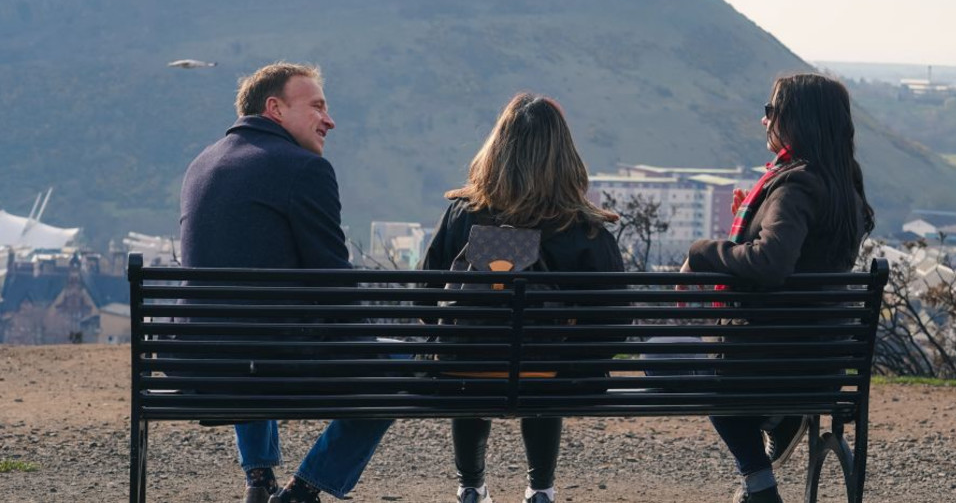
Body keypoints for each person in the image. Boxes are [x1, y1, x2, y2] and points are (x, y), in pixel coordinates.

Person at [180, 62, 393, 503]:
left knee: (247, 330)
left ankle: (258, 478)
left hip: (201, 367)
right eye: (316, 106)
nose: (329, 119)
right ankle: (304, 490)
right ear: (274, 108)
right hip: (274, 366)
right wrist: (374, 352)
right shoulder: (303, 169)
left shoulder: (200, 166)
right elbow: (333, 280)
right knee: (395, 370)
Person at [418, 93, 624, 503]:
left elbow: (425, 299)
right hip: (553, 382)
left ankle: (471, 486)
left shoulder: (463, 213)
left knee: (471, 354)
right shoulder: (583, 227)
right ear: (564, 153)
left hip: (463, 376)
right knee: (542, 366)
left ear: (498, 147)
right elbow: (613, 323)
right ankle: (541, 488)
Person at [683, 73, 874, 503]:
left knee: (669, 356)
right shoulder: (845, 186)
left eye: (771, 111)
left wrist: (703, 252)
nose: (763, 119)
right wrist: (754, 225)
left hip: (768, 360)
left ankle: (760, 481)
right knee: (711, 360)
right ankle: (779, 418)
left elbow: (771, 264)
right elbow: (807, 259)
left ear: (797, 119)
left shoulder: (796, 184)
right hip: (820, 362)